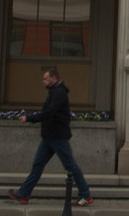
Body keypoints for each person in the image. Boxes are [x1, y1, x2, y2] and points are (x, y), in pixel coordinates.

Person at [8, 66, 93, 206]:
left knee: (70, 165)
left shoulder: (59, 93)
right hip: (49, 137)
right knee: (38, 165)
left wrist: (29, 118)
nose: (43, 81)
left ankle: (85, 194)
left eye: (45, 79)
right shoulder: (55, 91)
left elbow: (49, 113)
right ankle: (24, 194)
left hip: (57, 136)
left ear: (53, 78)